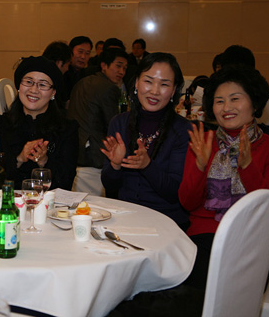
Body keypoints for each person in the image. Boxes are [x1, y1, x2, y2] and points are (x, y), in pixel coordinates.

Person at [179, 65, 269, 290]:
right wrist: (199, 166)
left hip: (250, 242)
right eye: (219, 101)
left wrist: (247, 166)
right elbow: (187, 203)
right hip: (203, 239)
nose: (226, 108)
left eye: (235, 99)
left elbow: (268, 210)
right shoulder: (203, 142)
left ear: (254, 103)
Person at [101, 52, 190, 229]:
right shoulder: (119, 123)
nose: (154, 91)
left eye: (164, 84)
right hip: (125, 218)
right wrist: (115, 165)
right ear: (136, 83)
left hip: (166, 222)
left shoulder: (183, 130)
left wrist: (148, 166)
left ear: (173, 90)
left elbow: (176, 193)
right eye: (148, 81)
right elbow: (109, 186)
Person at [0, 56, 78, 190]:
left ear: (53, 92)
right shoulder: (2, 124)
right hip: (8, 200)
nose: (34, 90)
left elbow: (65, 184)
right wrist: (19, 159)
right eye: (28, 82)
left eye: (42, 85)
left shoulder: (67, 129)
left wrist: (44, 162)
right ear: (19, 86)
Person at [68, 48, 128, 196]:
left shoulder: (82, 82)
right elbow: (114, 126)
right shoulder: (109, 88)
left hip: (75, 151)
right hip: (94, 156)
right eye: (118, 66)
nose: (121, 71)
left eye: (125, 68)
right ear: (104, 65)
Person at [63, 36, 92, 102]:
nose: (83, 57)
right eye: (80, 52)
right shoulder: (63, 72)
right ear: (70, 51)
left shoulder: (88, 76)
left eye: (87, 53)